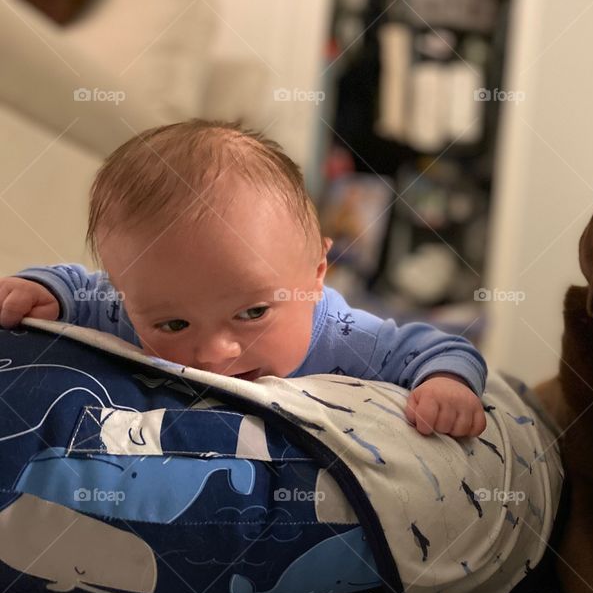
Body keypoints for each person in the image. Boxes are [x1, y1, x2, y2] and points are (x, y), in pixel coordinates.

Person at [0, 120, 487, 438]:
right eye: (173, 326)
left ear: (316, 274)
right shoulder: (126, 304)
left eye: (253, 313)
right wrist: (43, 291)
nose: (215, 354)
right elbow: (77, 287)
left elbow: (437, 349)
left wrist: (446, 386)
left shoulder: (348, 339)